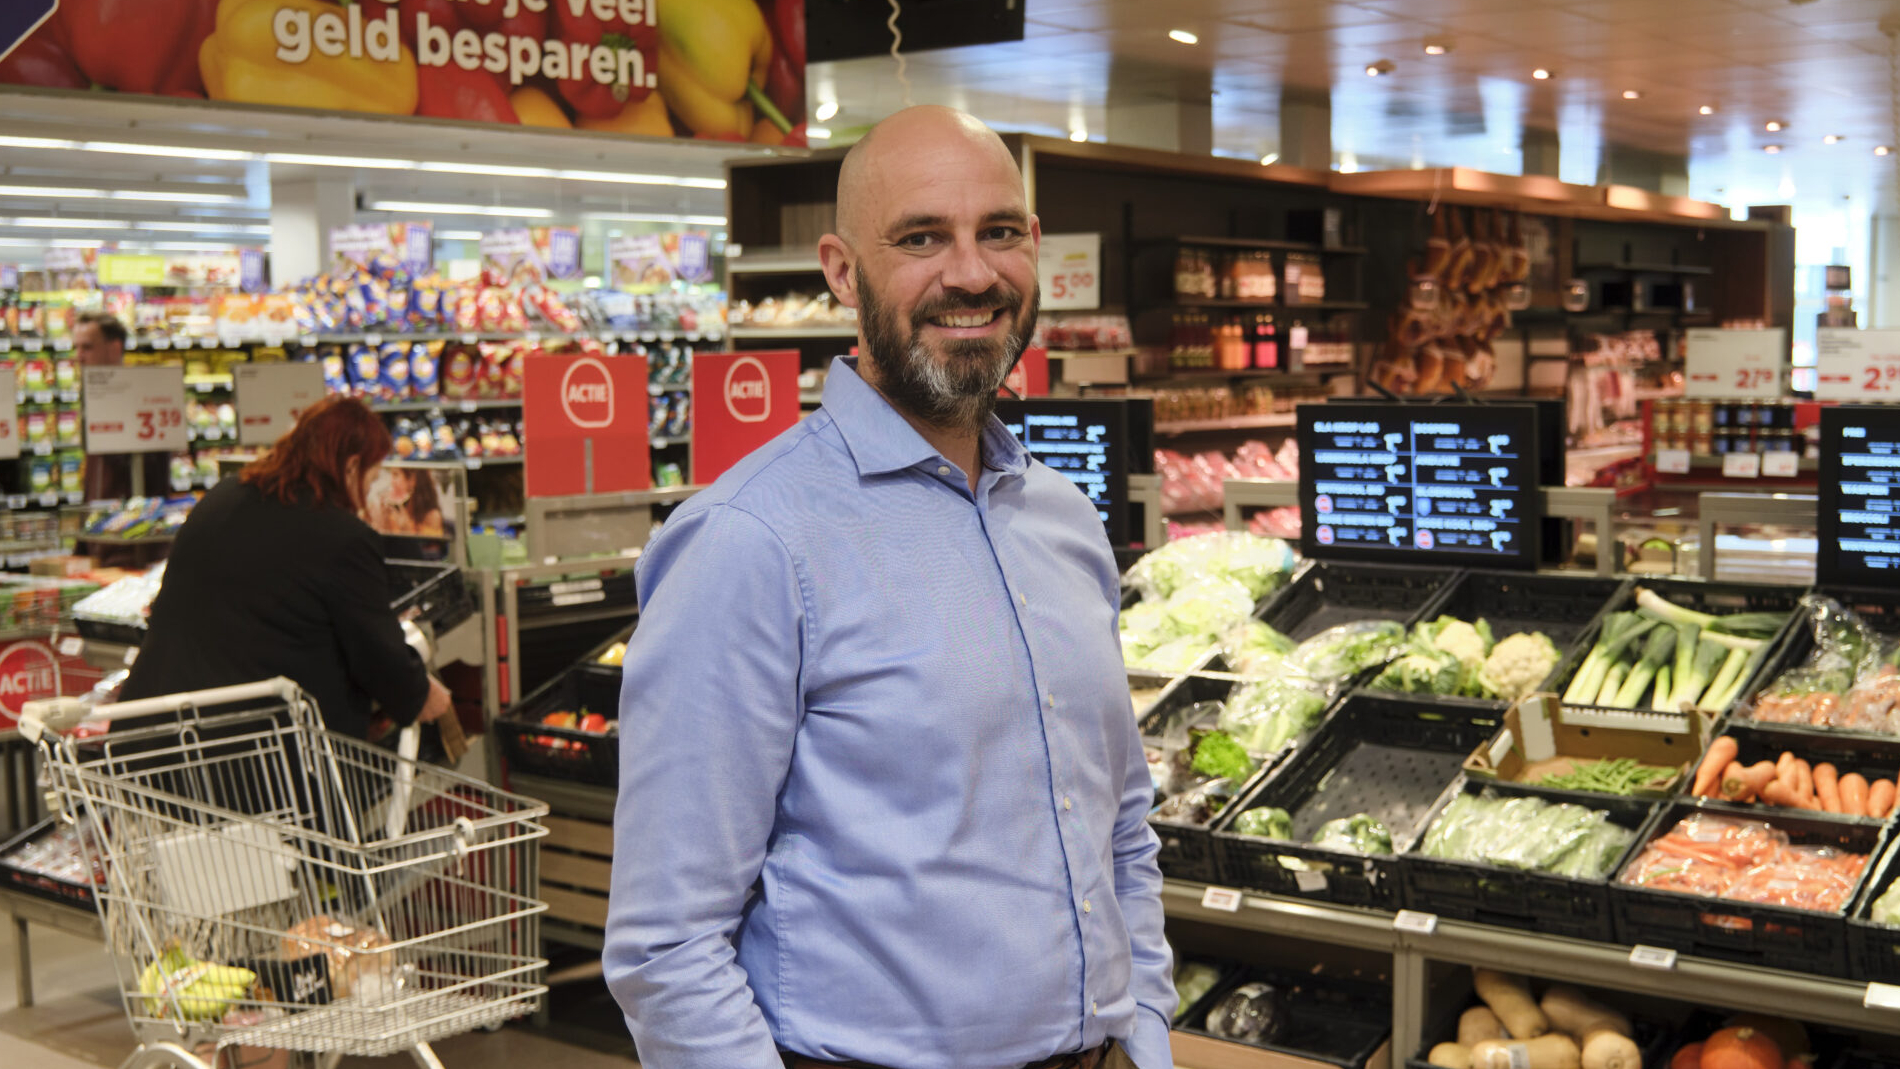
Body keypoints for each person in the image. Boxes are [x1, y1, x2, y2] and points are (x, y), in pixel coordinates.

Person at [605, 106, 1172, 1069]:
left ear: (1033, 247)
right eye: (921, 238)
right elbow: (668, 943)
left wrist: (1146, 1034)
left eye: (998, 232)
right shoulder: (749, 543)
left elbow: (1120, 828)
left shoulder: (1067, 522)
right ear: (840, 269)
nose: (971, 273)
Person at [119, 395, 452, 741]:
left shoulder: (222, 497)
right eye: (371, 476)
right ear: (352, 467)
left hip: (152, 729)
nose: (370, 490)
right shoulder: (342, 537)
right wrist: (418, 693)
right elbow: (375, 650)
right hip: (252, 753)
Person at [73, 312, 168, 505]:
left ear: (115, 349)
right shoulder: (93, 396)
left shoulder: (143, 397)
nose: (78, 357)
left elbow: (150, 471)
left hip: (131, 522)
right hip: (99, 520)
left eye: (87, 348)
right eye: (76, 348)